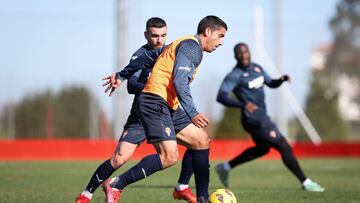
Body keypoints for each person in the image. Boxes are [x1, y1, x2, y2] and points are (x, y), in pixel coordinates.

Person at [102, 15, 227, 203]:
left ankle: (202, 198)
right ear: (208, 31)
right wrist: (193, 112)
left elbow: (147, 56)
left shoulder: (182, 45)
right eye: (221, 36)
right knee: (169, 157)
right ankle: (116, 184)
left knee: (201, 140)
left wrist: (121, 75)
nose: (221, 42)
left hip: (167, 104)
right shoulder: (192, 47)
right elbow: (179, 81)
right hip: (155, 101)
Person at [75, 17, 195, 203]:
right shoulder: (141, 56)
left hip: (166, 112)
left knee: (198, 143)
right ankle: (86, 194)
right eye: (154, 36)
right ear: (146, 35)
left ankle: (182, 186)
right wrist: (146, 83)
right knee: (119, 159)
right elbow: (132, 85)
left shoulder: (170, 51)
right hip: (142, 113)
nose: (159, 40)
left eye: (163, 35)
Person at [215, 42, 325, 192]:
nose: (243, 55)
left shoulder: (257, 68)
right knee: (283, 144)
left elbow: (270, 83)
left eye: (245, 51)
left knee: (262, 149)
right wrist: (243, 105)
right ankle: (306, 182)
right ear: (235, 56)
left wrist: (281, 80)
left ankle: (225, 167)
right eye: (240, 53)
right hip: (253, 119)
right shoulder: (234, 75)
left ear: (249, 53)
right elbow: (220, 97)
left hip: (262, 116)